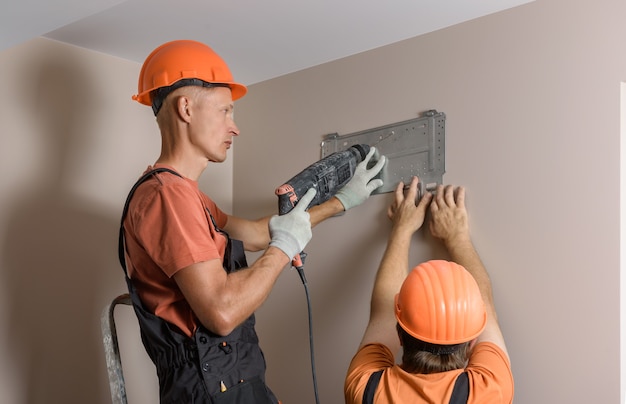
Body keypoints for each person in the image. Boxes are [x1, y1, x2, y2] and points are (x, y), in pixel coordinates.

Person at [118, 39, 386, 403]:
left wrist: (339, 202)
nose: (235, 127)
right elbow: (222, 312)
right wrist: (284, 248)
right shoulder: (168, 197)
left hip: (233, 380)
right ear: (186, 108)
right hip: (208, 389)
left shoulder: (187, 196)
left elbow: (260, 233)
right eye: (225, 111)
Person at [344, 177, 514, 403]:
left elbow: (384, 313)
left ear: (400, 335)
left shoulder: (366, 389)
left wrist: (402, 228)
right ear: (472, 342)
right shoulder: (487, 391)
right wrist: (457, 238)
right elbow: (486, 306)